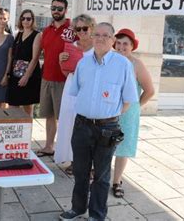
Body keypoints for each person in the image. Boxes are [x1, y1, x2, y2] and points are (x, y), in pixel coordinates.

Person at [60, 22, 138, 221]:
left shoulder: (123, 65)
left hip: (107, 128)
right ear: (91, 38)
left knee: (102, 177)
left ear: (112, 40)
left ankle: (97, 215)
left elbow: (128, 100)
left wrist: (110, 117)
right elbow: (76, 91)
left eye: (106, 35)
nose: (101, 38)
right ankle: (77, 209)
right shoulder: (83, 63)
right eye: (97, 35)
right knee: (80, 172)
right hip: (82, 125)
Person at [111, 28, 155, 198]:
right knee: (104, 145)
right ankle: (100, 176)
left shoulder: (136, 64)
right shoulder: (110, 60)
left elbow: (149, 91)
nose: (121, 47)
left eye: (126, 44)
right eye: (119, 43)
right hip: (108, 110)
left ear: (132, 46)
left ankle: (117, 181)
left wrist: (135, 106)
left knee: (123, 146)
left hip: (128, 113)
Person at [54, 14, 95, 174]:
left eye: (85, 28)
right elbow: (66, 73)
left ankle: (90, 164)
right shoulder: (71, 46)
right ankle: (73, 160)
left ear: (91, 27)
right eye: (78, 28)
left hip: (90, 89)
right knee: (70, 122)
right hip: (72, 87)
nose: (81, 31)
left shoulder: (98, 47)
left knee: (88, 126)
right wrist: (61, 60)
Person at [36, 0, 75, 158]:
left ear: (65, 10)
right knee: (49, 115)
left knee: (64, 117)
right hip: (46, 77)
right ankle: (48, 146)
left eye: (59, 8)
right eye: (53, 8)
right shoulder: (46, 30)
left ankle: (65, 151)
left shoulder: (72, 29)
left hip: (63, 80)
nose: (56, 11)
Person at [7, 9, 42, 116]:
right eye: (23, 18)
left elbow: (35, 57)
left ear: (32, 20)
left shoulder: (37, 35)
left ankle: (28, 131)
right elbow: (12, 55)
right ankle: (14, 129)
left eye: (28, 18)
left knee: (27, 106)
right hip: (15, 73)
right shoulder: (18, 34)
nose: (25, 21)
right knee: (12, 104)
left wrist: (26, 76)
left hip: (29, 74)